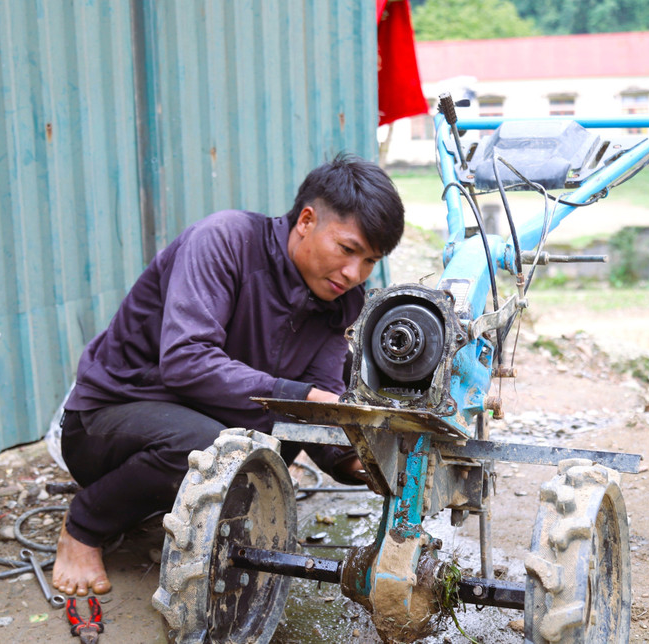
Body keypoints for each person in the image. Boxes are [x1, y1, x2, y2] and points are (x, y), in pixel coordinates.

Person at [51, 154, 405, 597]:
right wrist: (306, 397)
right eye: (348, 249)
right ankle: (84, 525)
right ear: (307, 220)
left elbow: (319, 401)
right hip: (109, 422)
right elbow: (184, 360)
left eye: (370, 260)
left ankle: (180, 498)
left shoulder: (340, 301)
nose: (355, 274)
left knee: (310, 404)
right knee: (213, 445)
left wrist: (356, 461)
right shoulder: (224, 240)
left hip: (211, 424)